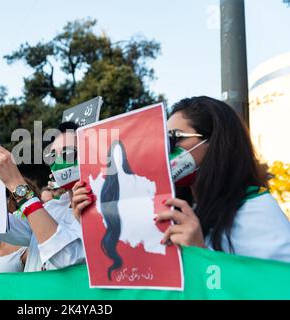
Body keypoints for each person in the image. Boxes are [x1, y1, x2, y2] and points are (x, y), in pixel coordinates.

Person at [73, 96, 290, 263]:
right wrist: (92, 220)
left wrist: (201, 255)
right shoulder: (182, 210)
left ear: (215, 143)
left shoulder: (256, 208)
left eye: (173, 139)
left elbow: (273, 284)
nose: (164, 150)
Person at [0, 121, 85, 272]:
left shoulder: (103, 208)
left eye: (68, 153)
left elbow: (65, 257)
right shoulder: (51, 208)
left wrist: (16, 183)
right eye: (53, 155)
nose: (59, 160)